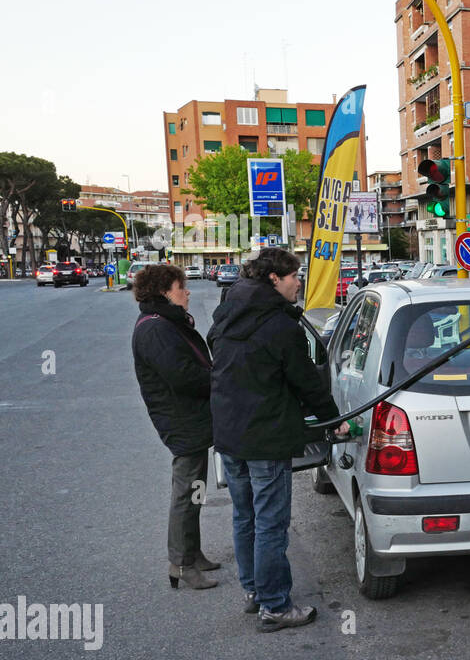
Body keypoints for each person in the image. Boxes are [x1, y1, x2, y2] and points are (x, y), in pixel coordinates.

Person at [207, 248, 349, 632]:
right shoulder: (280, 325)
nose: (299, 282)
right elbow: (306, 382)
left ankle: (255, 591)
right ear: (274, 279)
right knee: (271, 522)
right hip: (264, 437)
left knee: (245, 516)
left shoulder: (227, 313)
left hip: (229, 433)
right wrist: (333, 421)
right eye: (294, 275)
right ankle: (275, 605)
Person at [130, 263, 220, 591]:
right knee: (187, 491)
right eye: (182, 287)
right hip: (181, 419)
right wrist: (220, 379)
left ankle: (192, 553)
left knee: (195, 488)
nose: (188, 291)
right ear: (166, 291)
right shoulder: (156, 327)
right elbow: (182, 375)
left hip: (187, 416)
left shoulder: (165, 321)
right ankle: (181, 563)